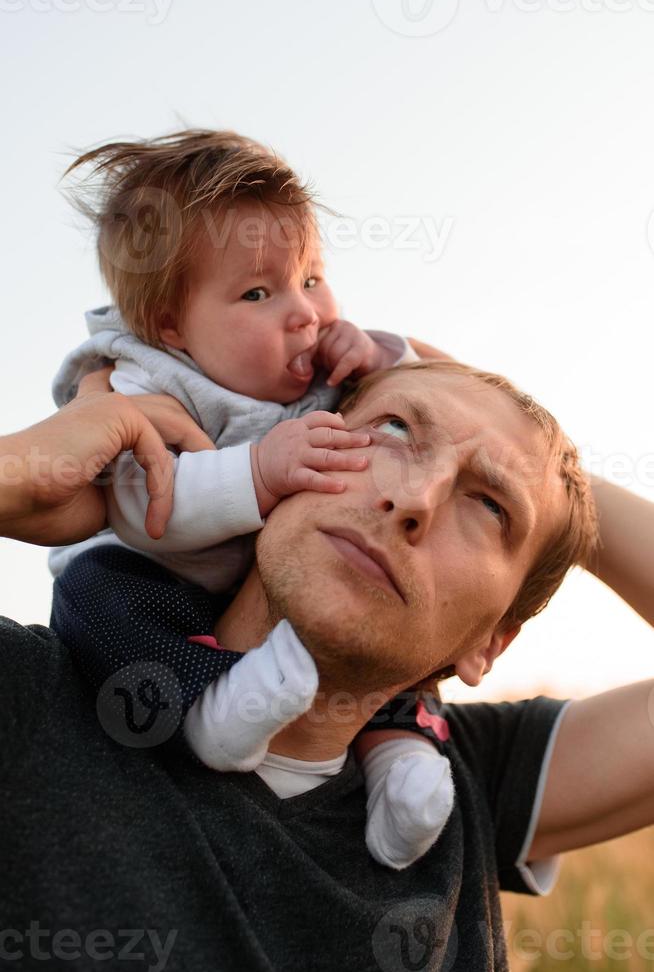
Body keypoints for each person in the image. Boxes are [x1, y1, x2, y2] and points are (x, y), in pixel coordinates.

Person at [2, 359, 652, 971]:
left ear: (490, 643)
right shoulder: (29, 697)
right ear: (287, 448)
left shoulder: (461, 790)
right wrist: (16, 470)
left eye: (490, 505)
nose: (415, 497)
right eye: (394, 429)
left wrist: (550, 468)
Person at [47, 128, 454, 871]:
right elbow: (141, 506)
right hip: (163, 586)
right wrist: (257, 475)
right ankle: (206, 713)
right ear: (172, 326)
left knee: (386, 607)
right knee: (91, 589)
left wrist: (391, 356)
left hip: (275, 599)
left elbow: (460, 403)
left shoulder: (333, 364)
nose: (303, 312)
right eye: (259, 293)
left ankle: (401, 751)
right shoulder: (152, 381)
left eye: (313, 277)